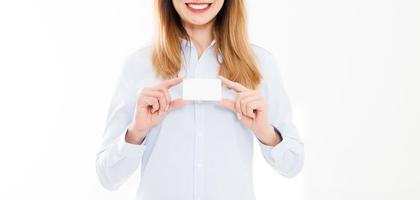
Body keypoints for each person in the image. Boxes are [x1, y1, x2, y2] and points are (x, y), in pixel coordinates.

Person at [96, 0, 304, 199]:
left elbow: (292, 164)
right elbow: (108, 177)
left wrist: (266, 133)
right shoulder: (138, 65)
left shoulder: (260, 64)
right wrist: (136, 132)